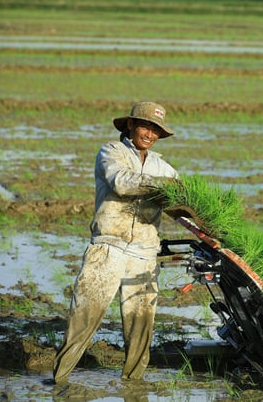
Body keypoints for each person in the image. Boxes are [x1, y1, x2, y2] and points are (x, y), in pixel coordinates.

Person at [53, 102, 179, 383]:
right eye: (145, 126)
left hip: (144, 255)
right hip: (108, 248)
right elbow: (121, 182)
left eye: (156, 129)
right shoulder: (111, 152)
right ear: (131, 125)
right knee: (83, 318)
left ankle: (133, 386)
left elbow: (181, 195)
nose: (149, 134)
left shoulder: (162, 166)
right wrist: (162, 186)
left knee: (141, 326)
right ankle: (59, 382)